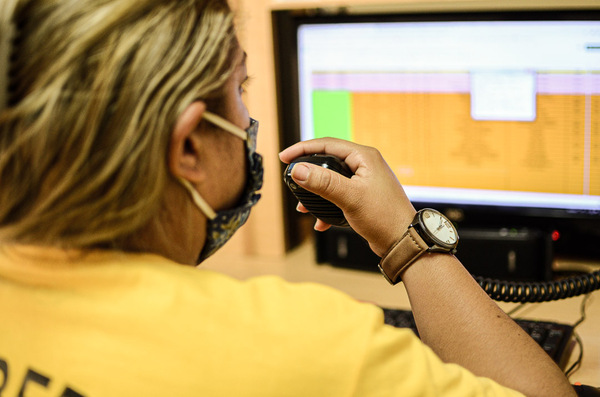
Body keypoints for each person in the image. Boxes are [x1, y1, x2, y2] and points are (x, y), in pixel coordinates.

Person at [0, 0, 578, 396]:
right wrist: (408, 238)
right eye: (240, 88)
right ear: (188, 149)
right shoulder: (300, 346)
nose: (250, 118)